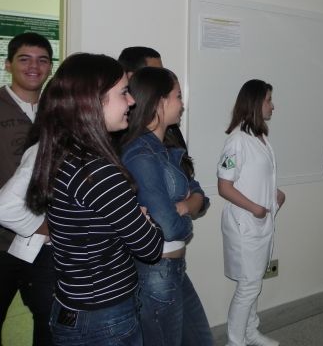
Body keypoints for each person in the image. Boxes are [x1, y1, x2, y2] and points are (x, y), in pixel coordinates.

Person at [25, 53, 164, 346]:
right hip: (104, 317)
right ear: (94, 101)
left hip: (76, 305)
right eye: (123, 93)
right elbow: (150, 247)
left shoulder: (64, 152)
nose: (132, 102)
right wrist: (146, 220)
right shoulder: (96, 171)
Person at [120, 66, 213, 346]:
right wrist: (184, 213)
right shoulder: (140, 154)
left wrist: (182, 207)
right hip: (156, 271)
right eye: (178, 96)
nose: (182, 104)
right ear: (160, 101)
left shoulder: (167, 147)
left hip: (173, 268)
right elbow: (170, 227)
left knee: (201, 340)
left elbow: (201, 196)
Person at [217, 79, 285, 346]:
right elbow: (224, 187)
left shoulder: (261, 138)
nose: (272, 106)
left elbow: (255, 179)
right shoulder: (237, 140)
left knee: (254, 282)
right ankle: (235, 341)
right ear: (256, 102)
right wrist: (256, 208)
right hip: (244, 224)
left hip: (259, 224)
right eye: (269, 100)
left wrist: (274, 194)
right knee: (248, 286)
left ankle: (250, 332)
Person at [0, 32, 54, 346]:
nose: (34, 67)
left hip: (42, 246)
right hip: (2, 242)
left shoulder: (55, 111)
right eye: (24, 59)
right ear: (8, 64)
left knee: (49, 322)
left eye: (42, 60)